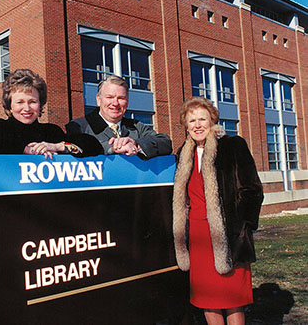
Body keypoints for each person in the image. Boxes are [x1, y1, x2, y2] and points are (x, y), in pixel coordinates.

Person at [173, 97, 263, 325]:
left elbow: (253, 190)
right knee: (207, 302)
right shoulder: (183, 154)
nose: (197, 125)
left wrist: (243, 227)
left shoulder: (234, 146)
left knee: (233, 301)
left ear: (212, 120)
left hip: (229, 236)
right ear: (185, 124)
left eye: (202, 118)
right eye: (191, 120)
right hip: (198, 238)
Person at [0, 69, 103, 157]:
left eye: (32, 101)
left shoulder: (51, 132)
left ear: (40, 104)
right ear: (9, 106)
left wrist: (58, 146)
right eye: (19, 102)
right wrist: (25, 149)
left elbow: (94, 146)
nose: (27, 108)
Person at [66, 75, 172, 159]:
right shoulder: (78, 127)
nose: (115, 103)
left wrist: (136, 144)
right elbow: (75, 147)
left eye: (121, 98)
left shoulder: (136, 126)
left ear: (127, 101)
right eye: (110, 97)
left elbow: (165, 143)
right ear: (98, 100)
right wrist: (113, 148)